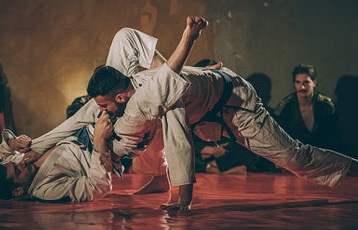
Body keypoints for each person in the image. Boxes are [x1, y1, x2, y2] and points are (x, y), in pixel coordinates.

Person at [86, 17, 358, 212]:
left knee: (295, 157)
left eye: (105, 105)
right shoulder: (137, 83)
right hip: (207, 111)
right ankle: (159, 177)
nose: (104, 112)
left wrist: (184, 198)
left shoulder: (158, 95)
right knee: (149, 122)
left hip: (238, 107)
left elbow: (179, 139)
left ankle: (354, 168)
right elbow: (146, 51)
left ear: (120, 96)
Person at [0, 111, 119, 202]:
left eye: (15, 164)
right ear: (18, 191)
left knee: (97, 92)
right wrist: (99, 142)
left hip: (74, 131)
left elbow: (3, 152)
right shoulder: (45, 191)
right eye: (18, 171)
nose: (21, 163)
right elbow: (97, 187)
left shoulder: (14, 164)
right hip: (95, 144)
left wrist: (13, 143)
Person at [275, 64, 340, 150]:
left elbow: (332, 138)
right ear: (294, 84)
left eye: (306, 82)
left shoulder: (326, 106)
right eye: (298, 82)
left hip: (323, 156)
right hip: (295, 156)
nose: (302, 87)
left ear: (314, 83)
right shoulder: (285, 106)